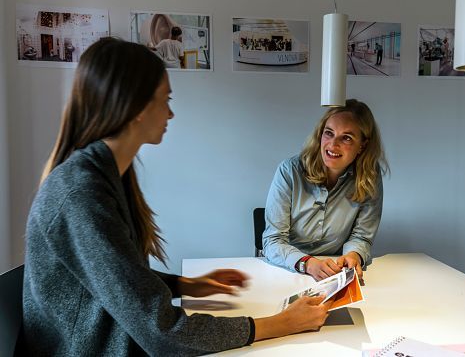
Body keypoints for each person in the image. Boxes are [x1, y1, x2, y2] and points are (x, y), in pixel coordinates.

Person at [18, 38, 331, 356]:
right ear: (136, 107)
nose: (170, 114)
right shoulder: (82, 195)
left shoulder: (106, 177)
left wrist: (186, 285)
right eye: (165, 100)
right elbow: (163, 333)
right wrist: (282, 323)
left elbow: (117, 277)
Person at [262, 99, 389, 282]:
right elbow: (272, 241)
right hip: (289, 269)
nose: (333, 145)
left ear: (362, 145)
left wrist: (353, 256)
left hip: (335, 272)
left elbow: (362, 237)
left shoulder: (369, 177)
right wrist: (308, 263)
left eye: (346, 137)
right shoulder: (289, 171)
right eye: (329, 133)